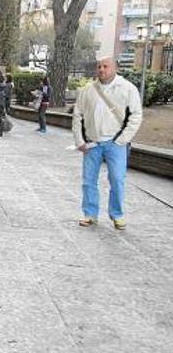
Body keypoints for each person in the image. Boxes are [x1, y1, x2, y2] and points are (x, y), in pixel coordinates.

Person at [72, 57, 143, 230]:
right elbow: (77, 115)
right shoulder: (88, 90)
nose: (102, 69)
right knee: (88, 180)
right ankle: (90, 214)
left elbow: (136, 115)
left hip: (115, 143)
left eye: (106, 66)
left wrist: (122, 140)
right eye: (99, 67)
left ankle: (117, 215)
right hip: (92, 143)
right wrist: (79, 140)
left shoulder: (127, 89)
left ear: (115, 68)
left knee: (117, 179)